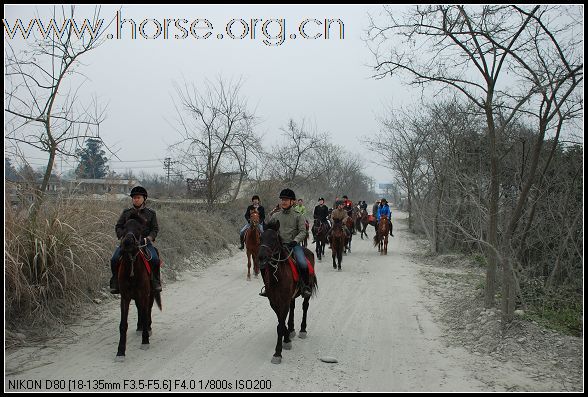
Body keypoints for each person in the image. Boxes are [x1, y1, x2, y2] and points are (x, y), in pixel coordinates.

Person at [260, 188, 312, 299]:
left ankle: (305, 287)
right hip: (278, 246)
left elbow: (303, 232)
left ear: (292, 201)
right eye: (282, 199)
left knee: (303, 263)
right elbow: (270, 231)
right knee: (263, 263)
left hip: (293, 245)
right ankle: (267, 287)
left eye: (286, 200)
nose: (283, 202)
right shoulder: (275, 216)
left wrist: (295, 241)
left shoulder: (299, 215)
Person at [110, 186, 161, 294]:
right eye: (134, 198)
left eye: (138, 197)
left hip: (144, 244)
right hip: (128, 244)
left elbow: (155, 229)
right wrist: (122, 236)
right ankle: (115, 281)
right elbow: (118, 226)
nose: (135, 199)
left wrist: (148, 239)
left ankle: (155, 281)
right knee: (114, 259)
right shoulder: (126, 213)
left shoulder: (151, 213)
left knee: (155, 259)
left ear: (144, 198)